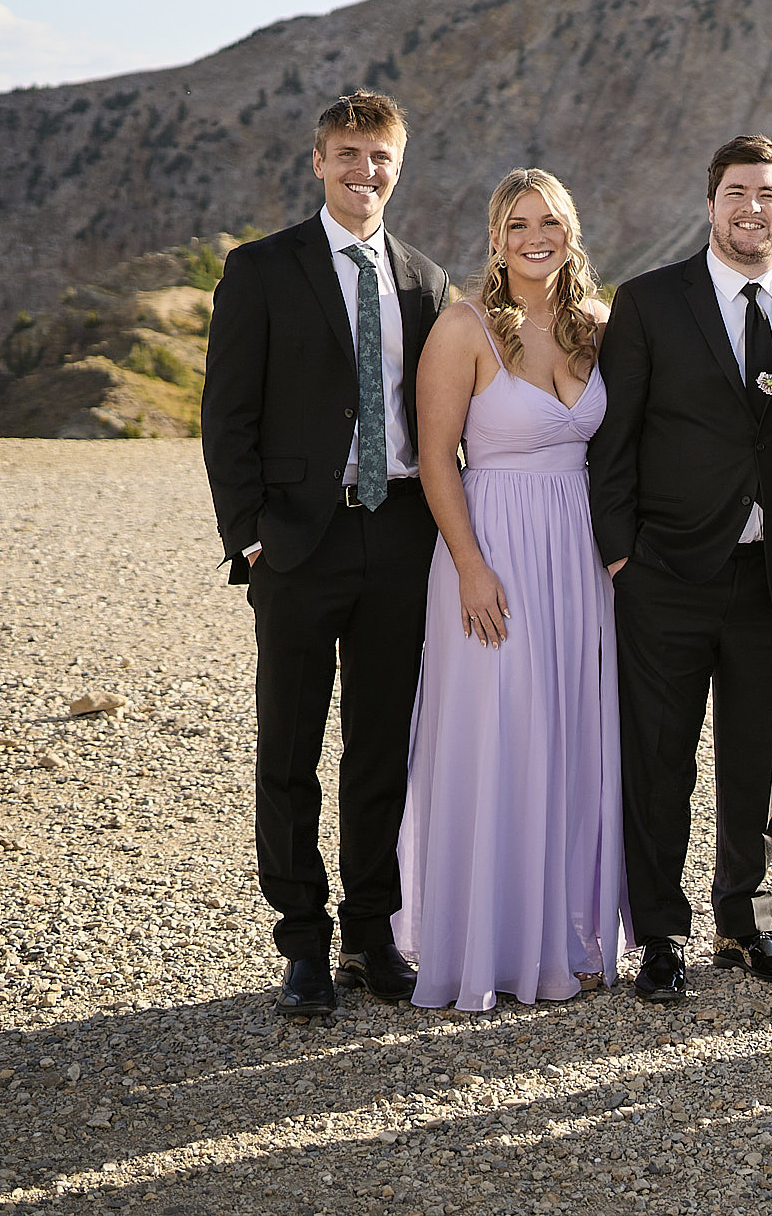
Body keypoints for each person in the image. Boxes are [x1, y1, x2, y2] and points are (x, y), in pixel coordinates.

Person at [199, 91, 452, 1018]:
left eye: (380, 156)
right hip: (298, 541)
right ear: (318, 162)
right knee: (289, 747)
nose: (364, 171)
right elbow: (226, 412)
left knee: (381, 745)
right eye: (348, 153)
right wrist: (250, 533)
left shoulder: (425, 280)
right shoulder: (262, 268)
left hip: (400, 533)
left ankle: (371, 933)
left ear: (399, 166)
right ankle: (301, 940)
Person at [589, 134, 772, 1003]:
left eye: (768, 194)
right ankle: (660, 934)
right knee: (660, 760)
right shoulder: (650, 300)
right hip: (665, 569)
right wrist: (621, 556)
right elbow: (614, 440)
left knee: (759, 761)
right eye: (737, 193)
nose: (752, 209)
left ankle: (744, 920)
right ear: (711, 204)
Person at [394, 169, 625, 1011]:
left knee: (571, 736)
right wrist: (470, 565)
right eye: (518, 224)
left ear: (571, 231)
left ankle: (569, 937)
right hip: (491, 550)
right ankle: (487, 945)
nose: (536, 237)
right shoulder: (464, 328)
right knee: (499, 735)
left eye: (550, 222)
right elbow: (434, 457)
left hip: (578, 556)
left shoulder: (597, 325)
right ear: (496, 238)